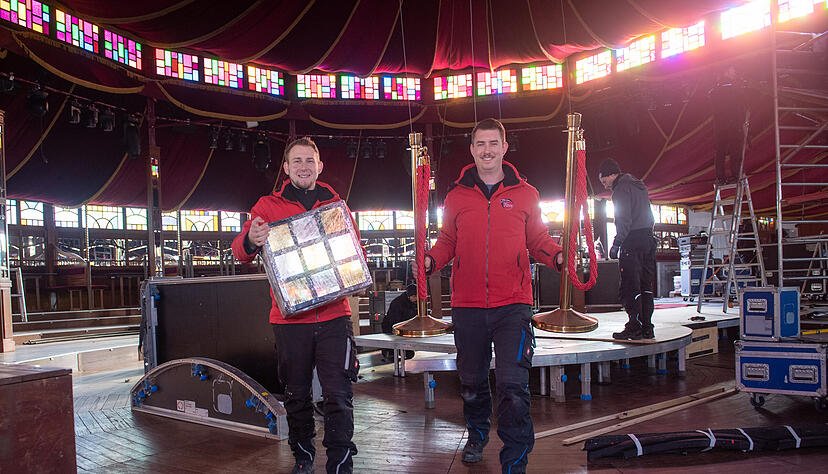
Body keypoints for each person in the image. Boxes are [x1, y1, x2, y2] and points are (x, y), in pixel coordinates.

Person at [416, 118, 564, 474]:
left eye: (493, 143)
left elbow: (538, 240)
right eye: (480, 144)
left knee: (513, 387)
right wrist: (431, 260)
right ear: (472, 149)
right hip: (467, 305)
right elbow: (448, 240)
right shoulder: (456, 196)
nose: (487, 150)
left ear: (504, 147)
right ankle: (477, 434)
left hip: (513, 304)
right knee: (471, 381)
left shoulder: (526, 193)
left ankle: (515, 461)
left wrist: (558, 256)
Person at [232, 137, 359, 474]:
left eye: (310, 161)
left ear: (320, 166)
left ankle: (340, 464)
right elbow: (240, 251)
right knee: (296, 396)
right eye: (297, 161)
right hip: (289, 322)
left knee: (338, 394)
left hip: (335, 317)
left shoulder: (336, 206)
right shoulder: (266, 206)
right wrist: (251, 239)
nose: (304, 167)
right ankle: (303, 459)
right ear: (286, 168)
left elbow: (354, 253)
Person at [598, 158, 656, 340]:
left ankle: (634, 327)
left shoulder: (621, 189)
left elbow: (623, 219)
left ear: (612, 174)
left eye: (604, 181)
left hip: (633, 241)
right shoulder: (639, 185)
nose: (605, 186)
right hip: (648, 239)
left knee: (631, 286)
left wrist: (617, 243)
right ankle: (647, 327)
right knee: (646, 285)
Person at [708, 65, 749, 185]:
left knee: (720, 152)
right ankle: (736, 175)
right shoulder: (735, 89)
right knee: (735, 150)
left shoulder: (714, 91)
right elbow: (743, 106)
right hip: (734, 125)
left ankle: (720, 177)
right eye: (732, 70)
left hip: (720, 127)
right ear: (726, 72)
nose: (734, 72)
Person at [380, 284, 417, 361]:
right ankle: (388, 352)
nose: (416, 299)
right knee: (392, 352)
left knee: (409, 354)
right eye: (415, 296)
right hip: (391, 326)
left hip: (405, 326)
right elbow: (394, 320)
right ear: (410, 296)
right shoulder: (398, 303)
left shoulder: (413, 303)